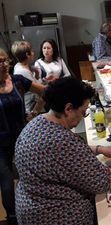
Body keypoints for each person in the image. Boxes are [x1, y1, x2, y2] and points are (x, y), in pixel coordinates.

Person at [14, 77, 111, 224]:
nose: (83, 117)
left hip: (30, 209)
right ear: (68, 109)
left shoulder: (38, 122)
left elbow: (60, 157)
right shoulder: (61, 141)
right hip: (56, 216)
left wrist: (98, 149)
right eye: (83, 111)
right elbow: (101, 180)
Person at [0, 48, 45, 225]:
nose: (4, 64)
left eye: (5, 60)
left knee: (32, 176)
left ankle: (36, 212)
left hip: (22, 139)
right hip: (0, 144)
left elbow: (45, 92)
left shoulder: (17, 80)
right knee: (6, 183)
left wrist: (34, 114)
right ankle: (13, 219)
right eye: (0, 61)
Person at [11, 41, 44, 119]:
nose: (33, 53)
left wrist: (36, 73)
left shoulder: (19, 65)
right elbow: (41, 91)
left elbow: (33, 83)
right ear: (27, 54)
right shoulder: (23, 71)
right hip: (29, 111)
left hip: (30, 106)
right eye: (31, 51)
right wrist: (34, 113)